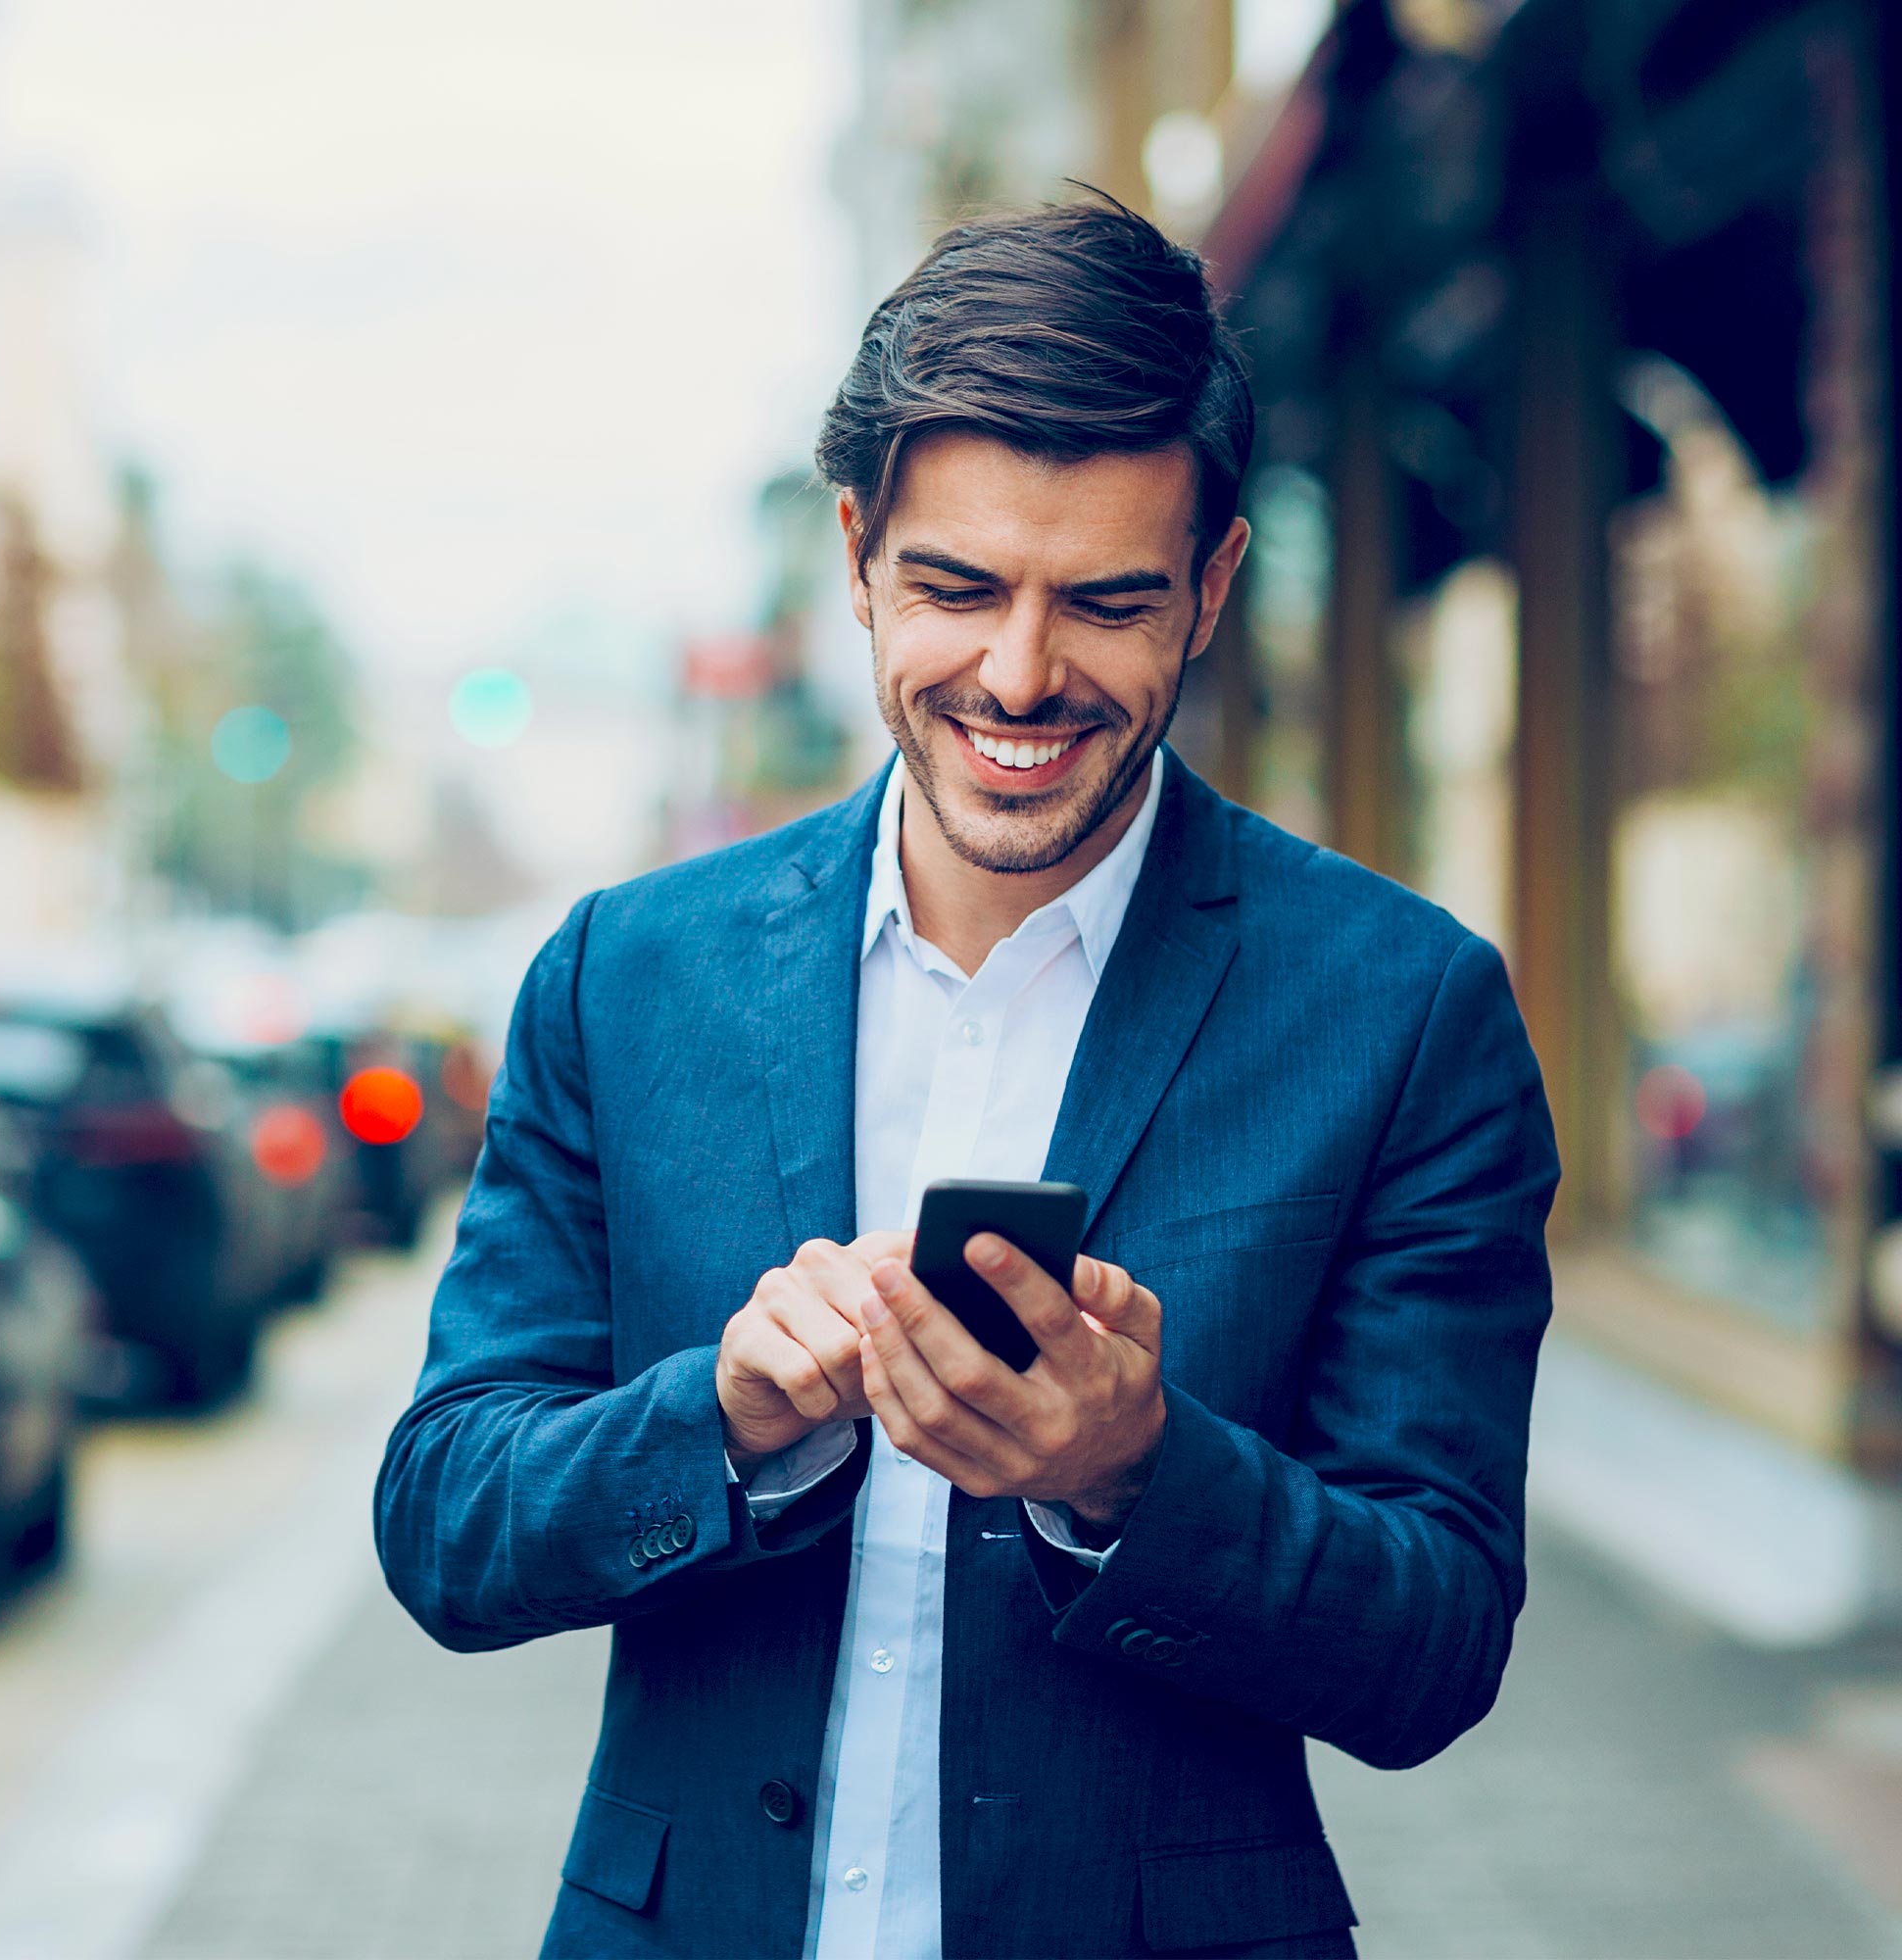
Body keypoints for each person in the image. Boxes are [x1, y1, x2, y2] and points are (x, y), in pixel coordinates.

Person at [375, 194, 1559, 1960]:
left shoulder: (1404, 1011)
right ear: (857, 554)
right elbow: (447, 1519)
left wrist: (1136, 1475)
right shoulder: (628, 978)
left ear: (1215, 586)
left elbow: (1438, 1643)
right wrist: (723, 1420)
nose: (1019, 675)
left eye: (1105, 603)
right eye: (954, 587)